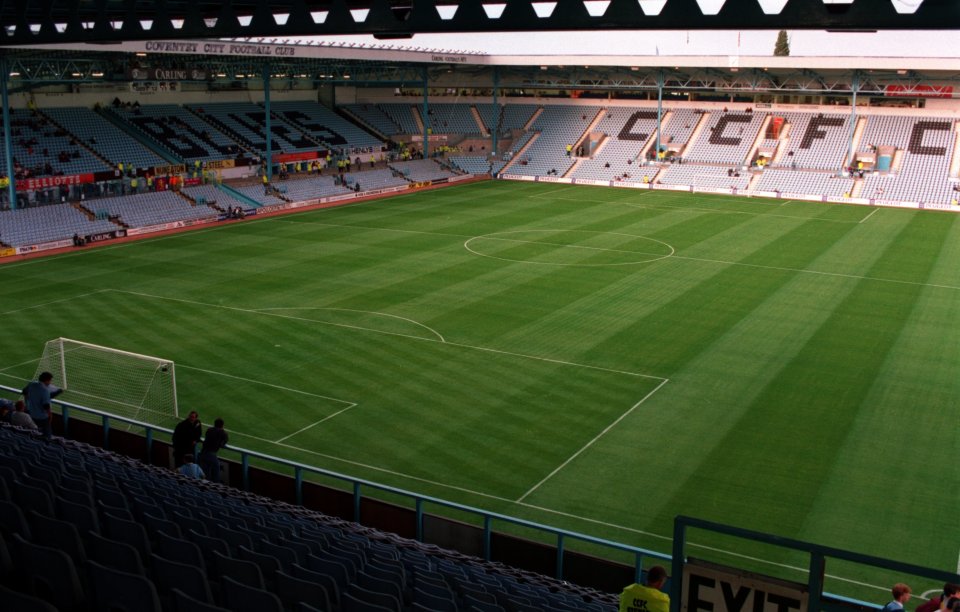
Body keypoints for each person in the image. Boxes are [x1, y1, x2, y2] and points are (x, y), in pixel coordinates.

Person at [21, 371, 62, 437]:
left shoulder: (32, 384)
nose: (50, 382)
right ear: (46, 380)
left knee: (31, 431)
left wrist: (27, 402)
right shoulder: (45, 390)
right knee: (47, 435)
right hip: (42, 417)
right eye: (50, 380)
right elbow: (46, 405)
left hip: (31, 413)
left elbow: (24, 391)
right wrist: (50, 415)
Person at [199, 418, 229, 483]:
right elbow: (223, 444)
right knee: (216, 470)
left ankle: (206, 487)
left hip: (203, 452)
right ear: (222, 425)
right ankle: (216, 487)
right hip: (210, 454)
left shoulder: (209, 430)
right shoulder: (222, 432)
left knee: (206, 473)